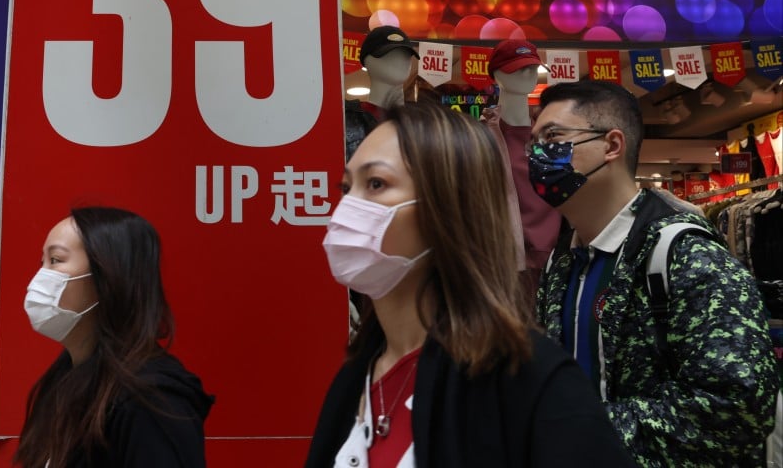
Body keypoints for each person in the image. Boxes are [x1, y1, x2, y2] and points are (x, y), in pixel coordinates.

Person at [308, 100, 634, 467]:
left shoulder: (528, 381)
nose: (349, 208)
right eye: (346, 187)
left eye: (376, 184)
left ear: (449, 206)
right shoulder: (355, 378)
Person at [530, 80, 777, 467]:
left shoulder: (687, 255)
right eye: (535, 142)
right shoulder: (563, 258)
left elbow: (736, 408)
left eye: (553, 136)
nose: (538, 154)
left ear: (612, 146)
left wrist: (579, 429)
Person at [16, 207, 213, 468]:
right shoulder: (65, 383)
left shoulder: (151, 399)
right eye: (42, 262)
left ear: (108, 274)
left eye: (56, 260)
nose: (39, 278)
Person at [482, 40, 563, 306]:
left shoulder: (550, 136)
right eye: (517, 69)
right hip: (502, 268)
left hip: (555, 264)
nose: (527, 75)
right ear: (496, 75)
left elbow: (564, 196)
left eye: (531, 68)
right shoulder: (480, 138)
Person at [345, 25, 420, 160]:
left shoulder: (422, 123)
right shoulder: (348, 120)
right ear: (367, 61)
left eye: (405, 55)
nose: (400, 60)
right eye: (388, 54)